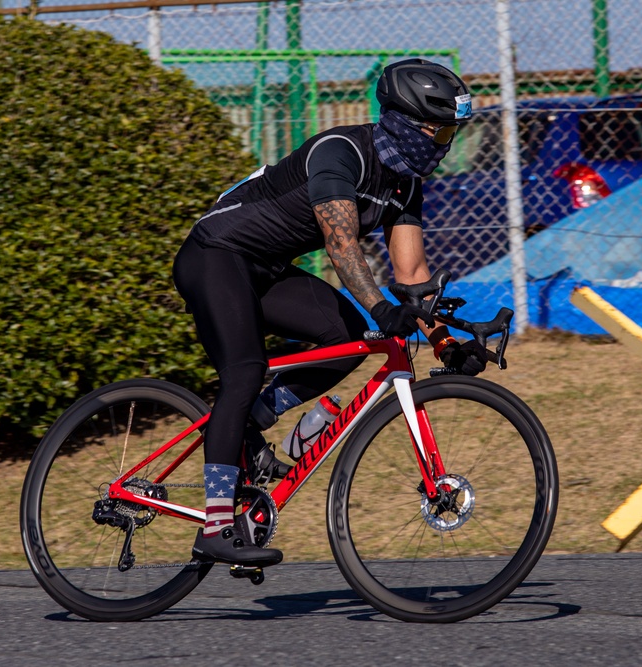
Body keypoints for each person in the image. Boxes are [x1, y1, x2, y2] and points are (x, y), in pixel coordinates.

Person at [173, 59, 488, 568]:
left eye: (453, 129)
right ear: (408, 124)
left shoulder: (406, 183)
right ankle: (213, 525)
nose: (448, 140)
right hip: (214, 255)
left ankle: (250, 425)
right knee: (245, 371)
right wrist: (382, 308)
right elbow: (341, 247)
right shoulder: (341, 153)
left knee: (346, 337)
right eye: (442, 129)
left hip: (267, 269)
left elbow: (411, 277)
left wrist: (446, 341)